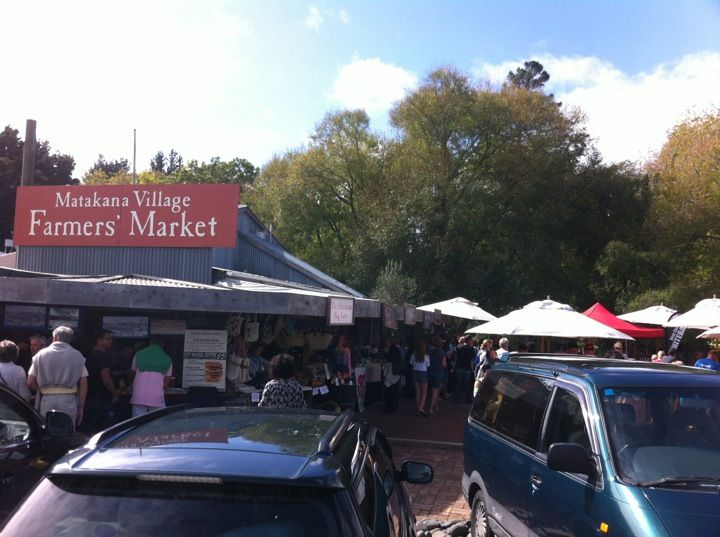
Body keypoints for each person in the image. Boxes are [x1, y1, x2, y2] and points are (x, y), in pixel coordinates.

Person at [27, 326, 88, 427]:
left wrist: (40, 390)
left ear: (54, 337)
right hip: (68, 400)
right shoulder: (78, 356)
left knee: (47, 431)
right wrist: (81, 406)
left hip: (46, 399)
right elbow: (84, 383)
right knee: (67, 432)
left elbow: (30, 381)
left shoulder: (40, 355)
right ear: (70, 339)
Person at [84, 330, 121, 431]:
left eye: (111, 338)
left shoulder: (91, 354)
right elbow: (106, 378)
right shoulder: (102, 355)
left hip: (89, 396)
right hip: (100, 398)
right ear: (99, 340)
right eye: (108, 338)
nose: (111, 341)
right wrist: (115, 394)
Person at [130, 336, 173, 417]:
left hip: (138, 397)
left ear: (150, 343)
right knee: (157, 425)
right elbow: (166, 385)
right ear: (163, 345)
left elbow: (132, 372)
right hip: (156, 399)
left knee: (138, 425)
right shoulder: (168, 359)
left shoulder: (138, 354)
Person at [427, 335, 446, 415]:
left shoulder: (428, 350)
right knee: (435, 390)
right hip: (438, 372)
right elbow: (444, 364)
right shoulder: (442, 352)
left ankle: (435, 406)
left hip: (429, 371)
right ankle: (431, 408)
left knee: (429, 390)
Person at [453, 336, 475, 404]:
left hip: (459, 367)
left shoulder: (459, 348)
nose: (472, 341)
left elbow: (456, 358)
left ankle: (456, 400)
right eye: (471, 340)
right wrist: (472, 369)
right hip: (467, 368)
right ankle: (469, 400)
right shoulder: (472, 349)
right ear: (469, 341)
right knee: (467, 385)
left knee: (458, 384)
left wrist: (453, 367)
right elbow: (471, 360)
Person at [411, 340, 430, 417]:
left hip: (415, 372)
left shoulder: (413, 355)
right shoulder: (426, 356)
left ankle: (418, 408)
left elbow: (411, 363)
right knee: (424, 392)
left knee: (418, 392)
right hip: (423, 372)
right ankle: (421, 408)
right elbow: (427, 366)